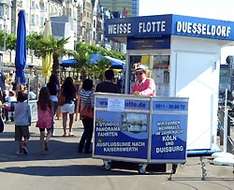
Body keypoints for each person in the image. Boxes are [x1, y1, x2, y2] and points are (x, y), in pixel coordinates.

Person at [78, 79, 94, 154]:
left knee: (86, 130)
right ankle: (86, 148)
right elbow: (92, 104)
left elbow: (81, 102)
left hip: (83, 112)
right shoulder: (91, 93)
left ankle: (81, 147)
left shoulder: (81, 92)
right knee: (89, 131)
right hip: (90, 113)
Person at [36, 87, 53, 153]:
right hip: (48, 118)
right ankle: (46, 141)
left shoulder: (39, 102)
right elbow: (51, 111)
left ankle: (42, 149)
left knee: (42, 134)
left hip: (41, 119)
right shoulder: (49, 101)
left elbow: (37, 110)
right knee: (49, 132)